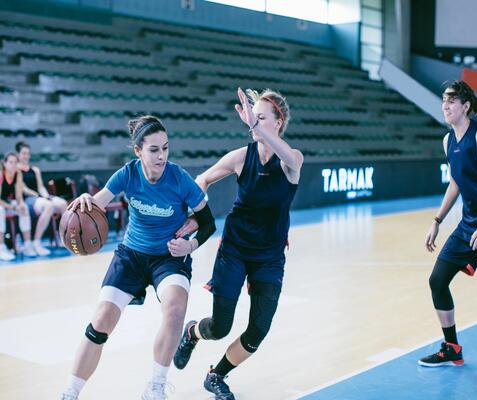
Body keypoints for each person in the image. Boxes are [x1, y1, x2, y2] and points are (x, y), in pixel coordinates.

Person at [59, 115, 216, 400]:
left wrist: (190, 247)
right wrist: (85, 197)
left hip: (168, 257)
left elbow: (208, 222)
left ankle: (155, 387)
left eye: (165, 148)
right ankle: (70, 393)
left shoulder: (179, 178)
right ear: (138, 151)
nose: (161, 155)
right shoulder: (128, 174)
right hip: (131, 254)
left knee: (175, 309)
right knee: (101, 320)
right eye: (154, 149)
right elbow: (98, 203)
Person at [173, 88, 303, 399]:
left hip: (270, 257)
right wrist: (196, 215)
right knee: (219, 328)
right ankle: (192, 332)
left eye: (260, 118)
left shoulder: (292, 160)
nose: (251, 124)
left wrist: (256, 127)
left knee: (258, 331)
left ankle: (216, 375)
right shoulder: (241, 157)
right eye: (251, 118)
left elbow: (287, 156)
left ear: (278, 122)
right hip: (234, 250)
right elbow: (201, 180)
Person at [419, 80, 477, 392]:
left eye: (451, 101)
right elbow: (456, 181)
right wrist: (437, 220)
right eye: (443, 101)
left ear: (466, 105)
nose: (445, 106)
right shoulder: (447, 141)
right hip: (469, 225)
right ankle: (451, 348)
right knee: (437, 280)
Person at [16, 141, 68, 256]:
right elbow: (23, 189)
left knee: (63, 203)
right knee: (48, 206)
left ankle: (62, 238)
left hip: (40, 198)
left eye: (28, 153)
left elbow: (41, 186)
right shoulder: (16, 170)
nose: (26, 156)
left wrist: (45, 195)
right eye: (24, 153)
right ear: (18, 154)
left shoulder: (35, 170)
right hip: (28, 200)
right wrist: (37, 196)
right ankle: (36, 242)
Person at [0, 152, 37, 260]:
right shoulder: (1, 174)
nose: (13, 165)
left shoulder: (18, 174)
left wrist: (20, 204)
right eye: (10, 162)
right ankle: (1, 247)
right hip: (2, 205)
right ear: (5, 163)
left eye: (15, 162)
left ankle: (27, 245)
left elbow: (18, 196)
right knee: (0, 210)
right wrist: (13, 207)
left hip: (9, 204)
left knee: (24, 208)